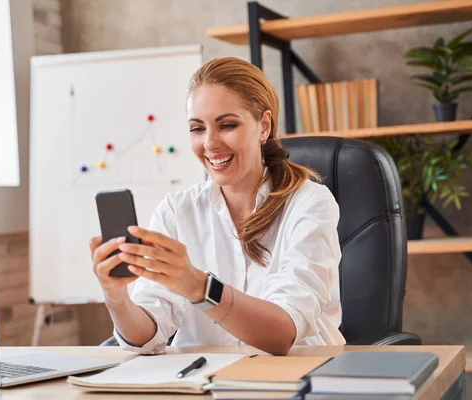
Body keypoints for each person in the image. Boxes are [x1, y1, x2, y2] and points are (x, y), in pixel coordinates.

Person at [90, 57, 345, 356]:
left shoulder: (309, 203)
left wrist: (199, 286)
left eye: (226, 125)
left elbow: (282, 334)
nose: (209, 143)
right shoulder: (176, 211)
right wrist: (117, 299)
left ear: (263, 126)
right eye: (197, 129)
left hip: (295, 380)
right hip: (202, 384)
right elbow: (148, 335)